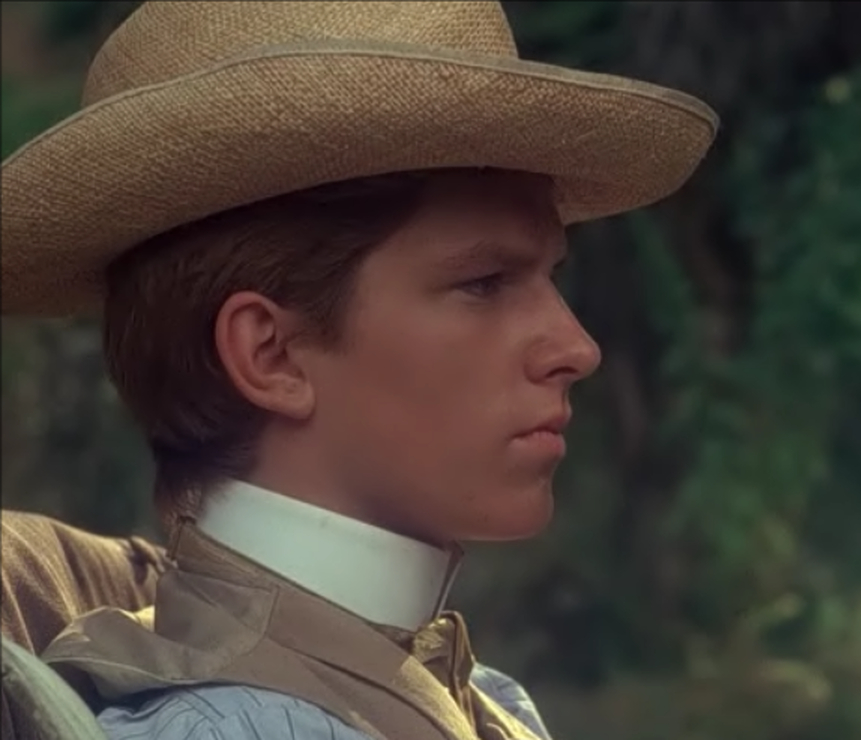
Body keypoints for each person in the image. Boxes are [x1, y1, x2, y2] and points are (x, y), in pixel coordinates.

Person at [0, 2, 717, 739]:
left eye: (548, 277)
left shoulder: (481, 698)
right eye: (484, 284)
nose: (575, 347)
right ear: (271, 354)